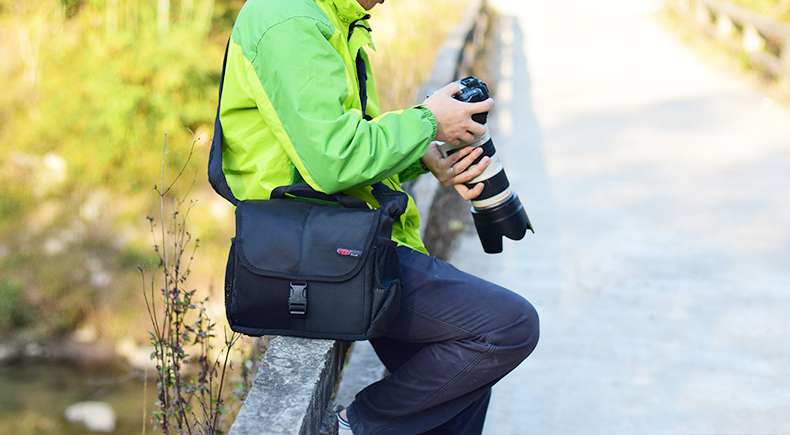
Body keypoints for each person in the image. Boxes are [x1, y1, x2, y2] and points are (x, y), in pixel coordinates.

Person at [219, 0, 540, 433]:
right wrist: (428, 122)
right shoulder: (289, 19)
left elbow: (341, 146)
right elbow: (334, 160)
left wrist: (422, 158)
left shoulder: (334, 18)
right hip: (313, 247)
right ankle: (355, 425)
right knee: (508, 326)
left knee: (460, 386)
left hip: (338, 235)